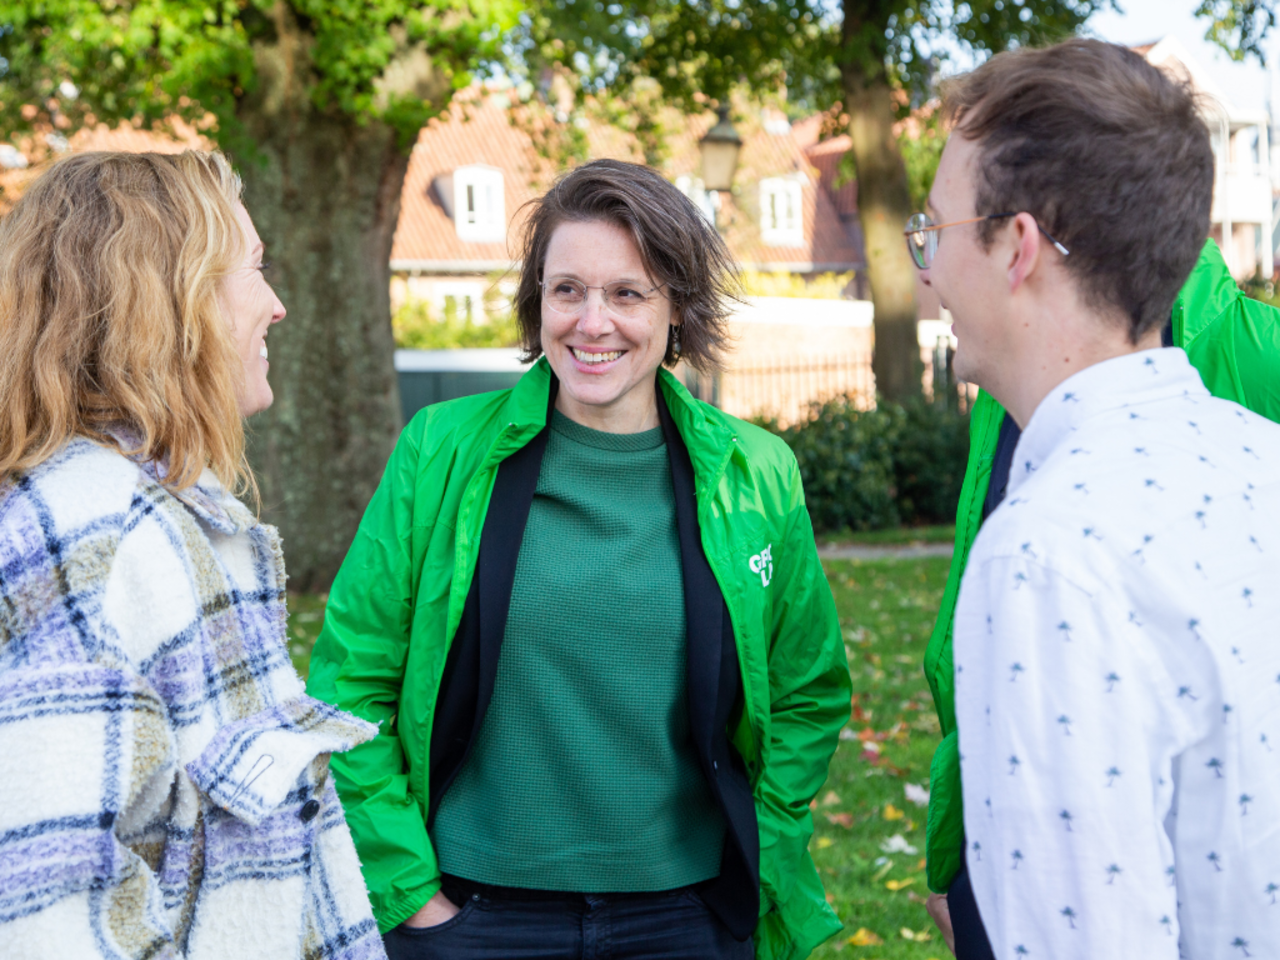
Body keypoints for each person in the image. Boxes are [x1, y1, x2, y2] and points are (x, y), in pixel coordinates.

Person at [306, 158, 851, 960]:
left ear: (678, 309)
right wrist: (415, 898)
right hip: (476, 914)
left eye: (627, 293)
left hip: (687, 917)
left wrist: (755, 851)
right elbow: (348, 689)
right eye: (568, 290)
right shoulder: (440, 450)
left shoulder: (755, 471)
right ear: (539, 303)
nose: (593, 322)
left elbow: (809, 689)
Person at [909, 39, 1280, 958]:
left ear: (1018, 248)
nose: (927, 270)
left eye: (938, 233)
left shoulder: (1047, 553)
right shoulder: (1262, 458)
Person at [0, 152, 385, 960]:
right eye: (253, 269)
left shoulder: (167, 510)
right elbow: (48, 917)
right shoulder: (93, 533)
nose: (277, 307)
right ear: (170, 301)